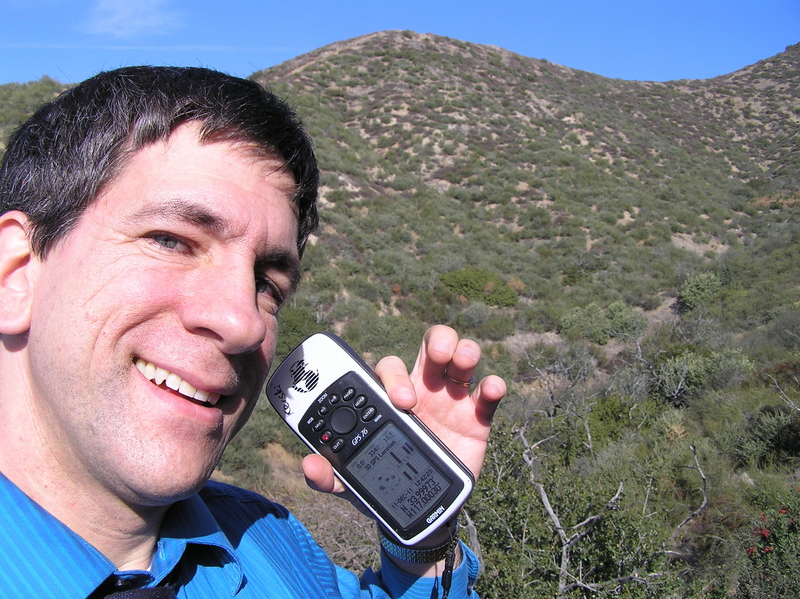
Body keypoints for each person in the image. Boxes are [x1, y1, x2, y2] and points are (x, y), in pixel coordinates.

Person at [0, 66, 506, 598]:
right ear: (15, 274)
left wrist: (420, 535)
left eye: (267, 283)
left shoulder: (274, 544)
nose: (243, 322)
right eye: (171, 240)